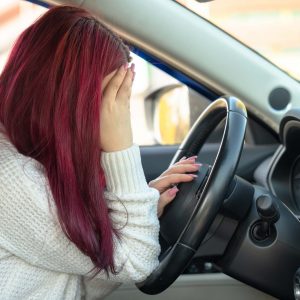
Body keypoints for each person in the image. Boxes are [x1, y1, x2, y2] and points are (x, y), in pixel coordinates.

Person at [0, 5, 200, 300]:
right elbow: (136, 264)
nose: (112, 116)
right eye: (110, 102)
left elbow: (78, 281)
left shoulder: (28, 154)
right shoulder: (12, 178)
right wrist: (121, 143)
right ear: (68, 98)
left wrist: (142, 206)